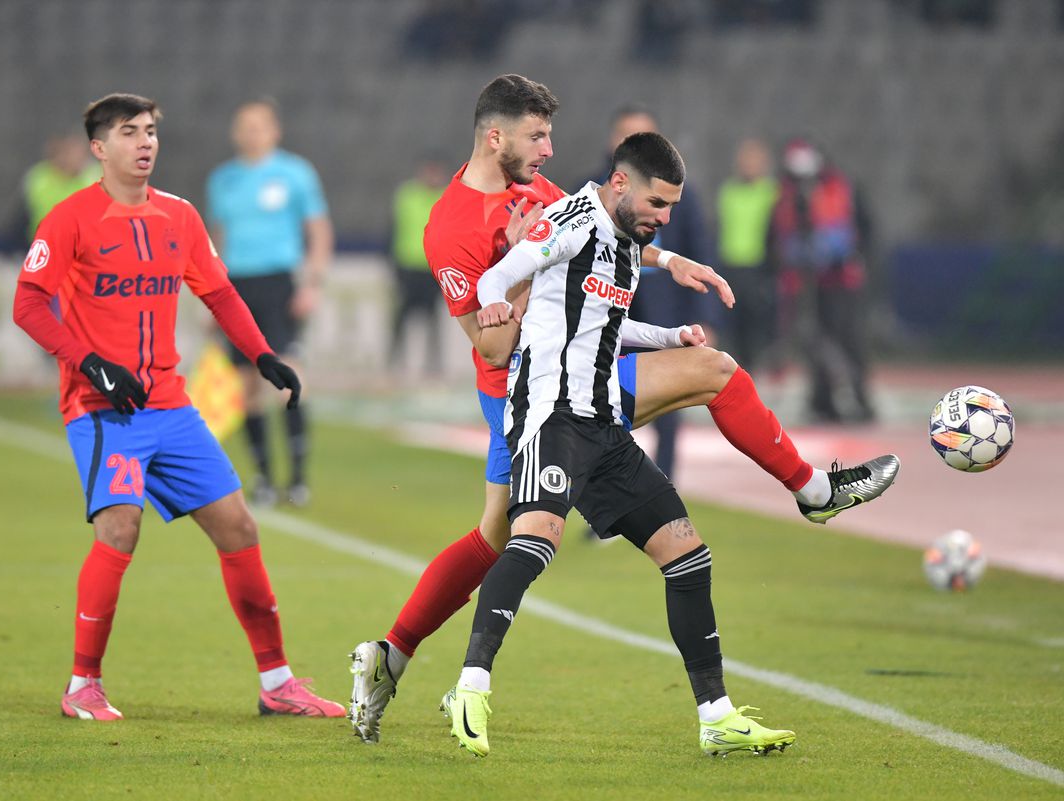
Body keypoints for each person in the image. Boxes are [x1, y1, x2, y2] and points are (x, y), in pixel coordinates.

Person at [348, 75, 898, 745]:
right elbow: (490, 346)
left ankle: (813, 491)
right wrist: (525, 271)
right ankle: (399, 657)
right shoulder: (452, 225)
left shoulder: (541, 194)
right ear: (496, 137)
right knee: (500, 538)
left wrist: (670, 261)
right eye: (537, 136)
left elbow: (605, 235)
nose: (550, 150)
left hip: (591, 379)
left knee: (712, 371)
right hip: (522, 394)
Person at [442, 133, 793, 757]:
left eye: (671, 209)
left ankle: (716, 718)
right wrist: (493, 306)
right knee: (533, 542)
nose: (663, 219)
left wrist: (670, 335)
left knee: (688, 557)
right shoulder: (571, 221)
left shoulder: (623, 241)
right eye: (658, 204)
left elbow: (600, 321)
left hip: (602, 424)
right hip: (550, 415)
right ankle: (470, 687)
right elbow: (499, 275)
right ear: (622, 184)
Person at [12, 93, 344, 721]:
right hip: (103, 410)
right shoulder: (69, 218)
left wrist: (262, 354)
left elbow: (218, 292)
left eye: (151, 131)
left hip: (170, 406)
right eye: (129, 132)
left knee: (240, 528)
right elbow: (28, 304)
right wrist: (90, 364)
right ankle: (82, 684)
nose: (145, 143)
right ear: (98, 148)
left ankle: (277, 681)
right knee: (120, 528)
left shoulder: (180, 216)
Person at [206, 98, 333, 507]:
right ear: (234, 132)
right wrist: (212, 297)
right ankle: (262, 478)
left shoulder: (294, 173)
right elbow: (217, 243)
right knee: (246, 387)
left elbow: (317, 230)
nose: (251, 133)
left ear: (274, 130)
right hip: (237, 287)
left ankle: (297, 479)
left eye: (259, 125)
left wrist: (311, 283)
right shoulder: (223, 180)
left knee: (289, 377)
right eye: (244, 125)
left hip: (280, 283)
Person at [585, 105, 723, 481]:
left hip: (664, 307)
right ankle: (608, 492)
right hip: (607, 308)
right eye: (627, 135)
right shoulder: (590, 191)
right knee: (602, 403)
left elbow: (699, 253)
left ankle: (662, 487)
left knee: (667, 409)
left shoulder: (683, 195)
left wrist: (705, 317)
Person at [770, 138, 875, 422]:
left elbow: (864, 229)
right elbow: (776, 236)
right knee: (815, 342)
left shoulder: (842, 188)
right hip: (805, 283)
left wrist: (850, 254)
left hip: (841, 280)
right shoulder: (786, 195)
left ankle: (860, 400)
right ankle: (822, 401)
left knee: (847, 340)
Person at [716, 137, 779, 373]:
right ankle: (739, 372)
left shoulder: (772, 192)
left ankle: (759, 370)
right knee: (734, 326)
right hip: (731, 265)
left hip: (759, 267)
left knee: (758, 327)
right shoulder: (728, 191)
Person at [388, 156, 449, 379]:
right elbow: (394, 228)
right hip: (407, 266)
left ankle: (433, 366)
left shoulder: (446, 197)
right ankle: (395, 363)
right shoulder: (407, 195)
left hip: (432, 268)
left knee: (434, 319)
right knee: (401, 318)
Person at [22, 134, 102, 245]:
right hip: (44, 243)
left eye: (77, 152)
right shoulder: (39, 177)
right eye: (67, 152)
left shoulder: (96, 176)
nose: (72, 157)